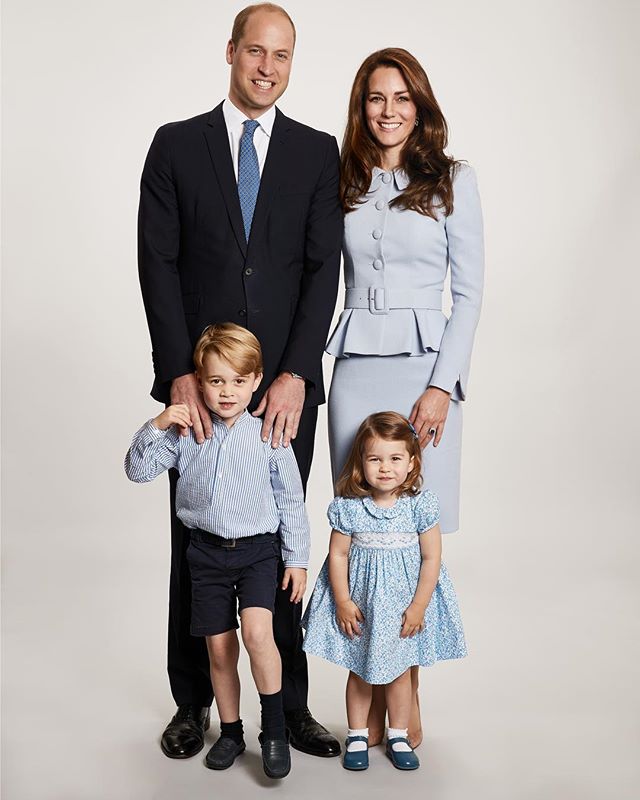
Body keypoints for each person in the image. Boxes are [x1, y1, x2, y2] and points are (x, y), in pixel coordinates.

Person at [137, 3, 342, 759]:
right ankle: (193, 702)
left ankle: (285, 711)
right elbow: (156, 263)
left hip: (281, 394)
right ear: (231, 52)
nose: (267, 67)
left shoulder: (318, 154)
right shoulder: (176, 146)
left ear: (292, 63)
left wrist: (295, 372)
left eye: (282, 55)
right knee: (195, 544)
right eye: (255, 51)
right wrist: (177, 377)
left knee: (280, 543)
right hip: (203, 387)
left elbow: (325, 271)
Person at [326, 47, 484, 747]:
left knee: (413, 534)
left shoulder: (454, 180)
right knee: (364, 538)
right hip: (356, 365)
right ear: (361, 108)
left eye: (401, 97)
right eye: (374, 98)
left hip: (424, 369)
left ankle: (407, 695)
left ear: (420, 105)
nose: (388, 110)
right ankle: (367, 703)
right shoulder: (343, 180)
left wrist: (441, 386)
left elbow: (471, 293)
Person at [125, 323, 309, 778]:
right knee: (220, 649)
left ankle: (275, 729)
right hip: (205, 554)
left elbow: (291, 500)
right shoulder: (187, 433)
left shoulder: (269, 435)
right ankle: (230, 731)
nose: (227, 392)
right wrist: (158, 423)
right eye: (216, 381)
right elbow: (136, 470)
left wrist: (298, 559)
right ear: (200, 381)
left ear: (257, 379)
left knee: (257, 635)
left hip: (258, 553)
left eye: (238, 381)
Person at [302, 412, 466, 771]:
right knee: (359, 671)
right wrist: (343, 601)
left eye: (395, 459)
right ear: (361, 463)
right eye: (375, 459)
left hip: (404, 609)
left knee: (400, 672)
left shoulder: (419, 506)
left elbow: (431, 556)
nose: (385, 468)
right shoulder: (349, 508)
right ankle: (358, 734)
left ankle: (398, 733)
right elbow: (338, 554)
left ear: (411, 462)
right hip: (363, 607)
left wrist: (420, 605)